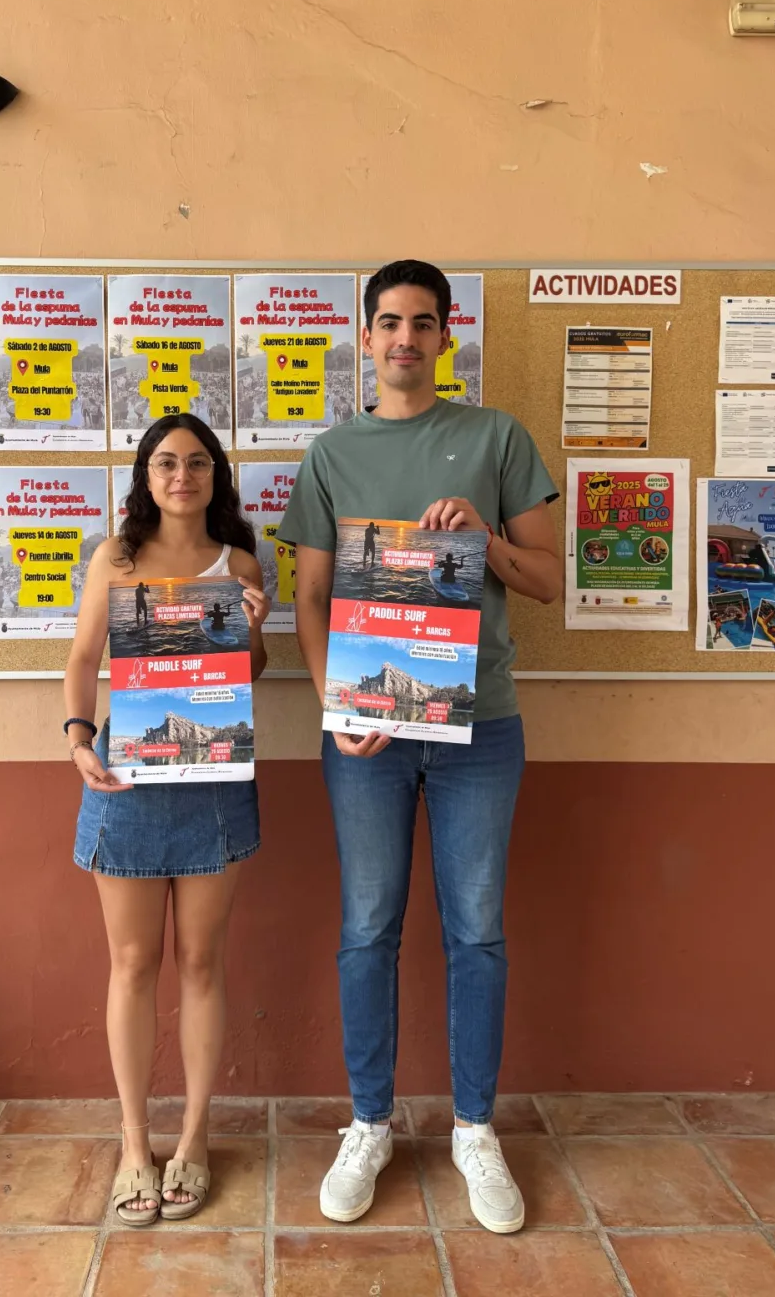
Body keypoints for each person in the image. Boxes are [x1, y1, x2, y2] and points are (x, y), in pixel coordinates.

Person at [277, 260, 561, 1234]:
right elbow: (310, 600)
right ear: (365, 337)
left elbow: (552, 582)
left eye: (423, 322)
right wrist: (334, 705)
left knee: (476, 927)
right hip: (369, 731)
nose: (405, 337)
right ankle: (369, 1122)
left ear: (448, 336)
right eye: (389, 321)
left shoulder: (498, 438)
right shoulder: (331, 454)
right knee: (368, 925)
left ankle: (475, 1128)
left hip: (482, 724)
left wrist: (483, 538)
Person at [64, 413, 270, 1227]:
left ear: (215, 474)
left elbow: (249, 673)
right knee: (131, 961)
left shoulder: (242, 562)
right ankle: (133, 1145)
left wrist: (252, 628)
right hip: (129, 772)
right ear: (145, 476)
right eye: (164, 462)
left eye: (195, 462)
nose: (180, 474)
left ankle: (193, 1140)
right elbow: (83, 659)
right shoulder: (114, 557)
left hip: (214, 773)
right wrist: (79, 737)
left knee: (202, 964)